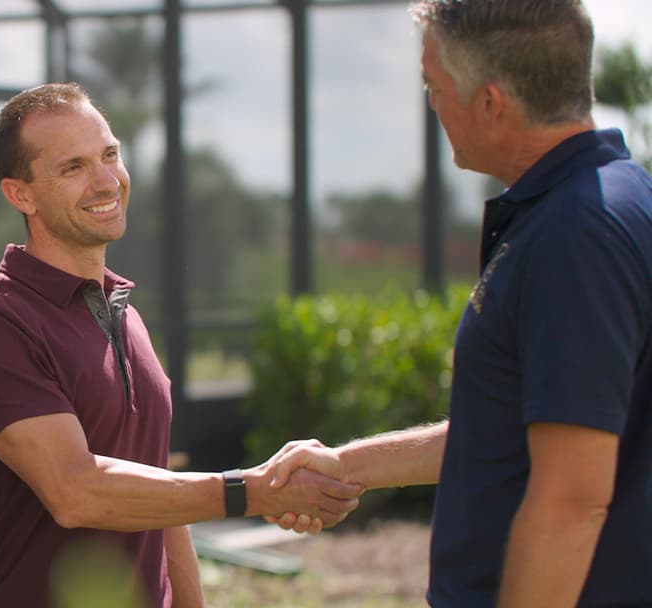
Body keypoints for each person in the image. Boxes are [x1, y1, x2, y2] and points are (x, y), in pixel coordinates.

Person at [269, 1, 652, 606]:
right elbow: (519, 429)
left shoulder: (574, 235)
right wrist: (349, 465)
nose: (432, 105)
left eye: (434, 85)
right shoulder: (610, 203)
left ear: (491, 103)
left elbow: (571, 501)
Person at [0, 82, 362, 608]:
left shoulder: (123, 313)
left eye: (110, 155)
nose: (105, 181)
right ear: (20, 194)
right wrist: (249, 490)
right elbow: (75, 491)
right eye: (73, 168)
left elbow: (160, 493)